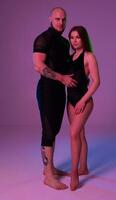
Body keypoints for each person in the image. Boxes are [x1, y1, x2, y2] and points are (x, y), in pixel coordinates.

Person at [33, 7, 77, 190]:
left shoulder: (64, 42)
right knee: (48, 129)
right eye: (57, 19)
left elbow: (66, 65)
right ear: (50, 18)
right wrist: (62, 78)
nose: (61, 22)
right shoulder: (43, 38)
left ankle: (49, 168)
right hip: (47, 90)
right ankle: (48, 177)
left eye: (64, 19)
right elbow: (38, 66)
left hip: (60, 91)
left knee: (55, 129)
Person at [67, 26, 100, 190]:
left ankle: (74, 172)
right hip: (70, 101)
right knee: (79, 134)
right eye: (72, 37)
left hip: (84, 101)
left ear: (83, 39)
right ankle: (83, 168)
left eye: (77, 37)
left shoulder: (89, 56)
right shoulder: (70, 57)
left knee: (73, 134)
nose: (74, 40)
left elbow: (96, 82)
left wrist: (82, 101)